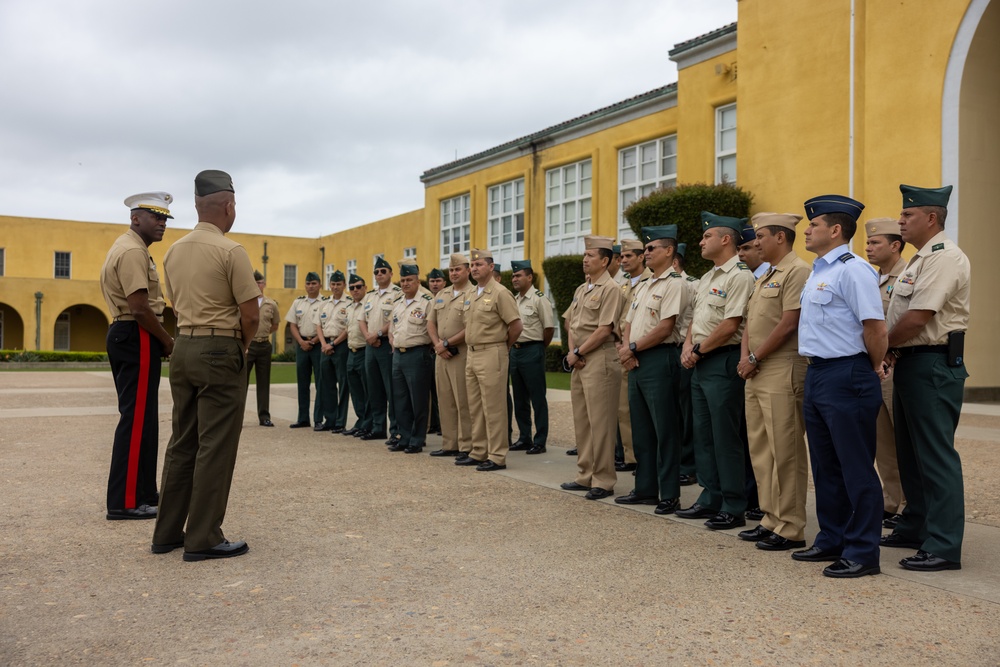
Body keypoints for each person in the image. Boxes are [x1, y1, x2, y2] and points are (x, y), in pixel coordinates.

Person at [152, 169, 258, 561]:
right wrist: (241, 349)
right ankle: (203, 537)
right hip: (219, 348)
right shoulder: (231, 251)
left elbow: (175, 304)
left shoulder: (174, 250)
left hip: (183, 347)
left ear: (198, 206)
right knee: (215, 445)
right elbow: (250, 314)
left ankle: (167, 532)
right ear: (229, 206)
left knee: (183, 442)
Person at [792, 194, 886, 578]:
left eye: (813, 225)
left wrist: (873, 366)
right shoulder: (819, 271)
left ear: (834, 230)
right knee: (826, 465)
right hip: (817, 373)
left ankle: (863, 552)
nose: (807, 229)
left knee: (856, 466)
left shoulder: (853, 270)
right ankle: (832, 537)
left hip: (847, 373)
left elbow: (875, 327)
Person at [881, 184, 969, 573]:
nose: (901, 220)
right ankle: (916, 525)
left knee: (935, 456)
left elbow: (918, 317)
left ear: (931, 218)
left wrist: (881, 349)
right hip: (912, 361)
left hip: (933, 363)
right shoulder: (918, 262)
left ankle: (945, 545)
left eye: (908, 215)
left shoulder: (944, 257)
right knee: (911, 453)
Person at [735, 213, 811, 551]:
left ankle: (791, 525)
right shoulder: (765, 276)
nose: (757, 242)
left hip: (781, 366)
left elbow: (789, 322)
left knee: (786, 450)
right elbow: (751, 322)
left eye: (762, 236)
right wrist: (745, 358)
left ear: (781, 237)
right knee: (762, 449)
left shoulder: (798, 272)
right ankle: (770, 517)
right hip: (757, 368)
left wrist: (754, 358)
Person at [100, 191, 176, 520]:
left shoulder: (132, 247)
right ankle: (125, 500)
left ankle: (144, 493)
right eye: (156, 216)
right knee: (135, 421)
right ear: (135, 218)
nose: (162, 223)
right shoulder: (132, 250)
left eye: (165, 218)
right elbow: (140, 308)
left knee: (142, 419)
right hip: (137, 333)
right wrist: (167, 341)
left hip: (131, 333)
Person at [676, 212, 754, 530]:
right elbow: (697, 317)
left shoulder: (740, 275)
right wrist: (687, 345)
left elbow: (731, 323)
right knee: (704, 435)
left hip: (722, 359)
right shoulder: (708, 277)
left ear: (725, 239)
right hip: (700, 359)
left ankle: (734, 504)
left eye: (706, 236)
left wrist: (697, 349)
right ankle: (710, 496)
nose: (700, 241)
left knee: (725, 436)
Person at [615, 225, 688, 515]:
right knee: (641, 429)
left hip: (660, 359)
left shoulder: (676, 283)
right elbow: (628, 323)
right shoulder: (644, 285)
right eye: (645, 249)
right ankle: (645, 488)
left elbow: (665, 328)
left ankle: (669, 493)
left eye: (650, 249)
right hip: (636, 360)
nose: (645, 253)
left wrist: (631, 349)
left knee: (665, 429)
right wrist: (626, 350)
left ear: (669, 251)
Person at [560, 236, 624, 500]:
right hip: (581, 359)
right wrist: (574, 352)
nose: (585, 260)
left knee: (601, 423)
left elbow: (605, 329)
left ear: (605, 261)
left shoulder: (611, 289)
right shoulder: (581, 289)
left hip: (600, 359)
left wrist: (578, 353)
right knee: (583, 421)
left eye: (590, 255)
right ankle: (585, 474)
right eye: (584, 255)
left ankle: (604, 479)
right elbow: (571, 325)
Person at [457, 248, 522, 471]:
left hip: (492, 352)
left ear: (491, 267)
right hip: (472, 353)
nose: (474, 268)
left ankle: (497, 455)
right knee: (475, 406)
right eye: (472, 265)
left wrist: (503, 346)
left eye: (479, 264)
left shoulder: (501, 293)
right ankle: (478, 451)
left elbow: (516, 325)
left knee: (493, 407)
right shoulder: (471, 294)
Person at [863, 217, 909, 527]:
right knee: (883, 442)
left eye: (875, 242)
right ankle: (892, 501)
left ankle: (910, 506)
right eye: (867, 242)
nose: (868, 247)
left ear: (895, 245)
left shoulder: (908, 275)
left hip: (897, 365)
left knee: (904, 441)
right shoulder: (871, 278)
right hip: (874, 368)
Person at [427, 254, 476, 458]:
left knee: (463, 400)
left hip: (460, 353)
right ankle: (449, 443)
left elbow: (471, 326)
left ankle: (466, 446)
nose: (454, 273)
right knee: (445, 400)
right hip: (441, 354)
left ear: (468, 271)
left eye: (458, 269)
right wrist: (438, 344)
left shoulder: (473, 293)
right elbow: (431, 322)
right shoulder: (442, 294)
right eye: (452, 270)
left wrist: (447, 343)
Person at [387, 261, 435, 453]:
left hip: (417, 354)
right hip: (398, 355)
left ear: (417, 280)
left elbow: (433, 327)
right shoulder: (398, 302)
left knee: (419, 400)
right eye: (403, 280)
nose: (405, 283)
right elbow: (392, 328)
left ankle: (417, 438)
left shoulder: (427, 300)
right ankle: (404, 437)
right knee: (400, 399)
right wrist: (393, 342)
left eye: (409, 280)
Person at [508, 259, 555, 455]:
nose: (514, 278)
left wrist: (539, 348)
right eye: (513, 276)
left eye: (518, 275)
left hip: (532, 350)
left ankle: (540, 440)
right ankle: (524, 438)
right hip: (515, 351)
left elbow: (549, 329)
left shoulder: (539, 299)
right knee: (519, 398)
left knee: (537, 398)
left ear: (529, 277)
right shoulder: (514, 299)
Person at [613, 238, 651, 472]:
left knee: (642, 412)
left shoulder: (650, 281)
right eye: (622, 256)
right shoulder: (624, 284)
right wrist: (621, 346)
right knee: (624, 409)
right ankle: (630, 456)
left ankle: (640, 457)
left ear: (641, 257)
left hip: (642, 352)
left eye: (629, 256)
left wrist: (630, 348)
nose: (624, 260)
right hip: (623, 349)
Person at [358, 257, 402, 442]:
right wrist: (368, 336)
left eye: (383, 271)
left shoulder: (397, 293)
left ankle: (395, 430)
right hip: (371, 346)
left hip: (386, 345)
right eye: (376, 272)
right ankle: (377, 427)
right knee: (374, 388)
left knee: (391, 389)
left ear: (391, 274)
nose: (379, 274)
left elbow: (394, 319)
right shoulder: (370, 295)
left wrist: (376, 334)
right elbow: (361, 319)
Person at [673, 243, 699, 487]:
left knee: (686, 411)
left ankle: (689, 465)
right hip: (667, 351)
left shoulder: (692, 284)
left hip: (684, 349)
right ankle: (677, 461)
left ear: (674, 261)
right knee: (673, 412)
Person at [286, 272, 326, 429]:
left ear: (320, 285)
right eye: (308, 283)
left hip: (318, 345)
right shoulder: (298, 302)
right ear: (305, 285)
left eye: (314, 283)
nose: (311, 286)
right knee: (302, 383)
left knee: (320, 382)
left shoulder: (325, 302)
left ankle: (318, 419)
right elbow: (292, 325)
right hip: (302, 344)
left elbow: (324, 325)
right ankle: (303, 418)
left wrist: (314, 341)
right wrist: (301, 342)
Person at [316, 270, 350, 433]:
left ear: (344, 285)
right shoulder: (324, 303)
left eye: (338, 284)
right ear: (329, 285)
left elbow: (348, 327)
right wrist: (323, 344)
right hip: (325, 345)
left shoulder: (349, 303)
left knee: (343, 383)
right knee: (326, 384)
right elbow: (318, 325)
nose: (335, 287)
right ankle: (329, 419)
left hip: (341, 345)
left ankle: (340, 421)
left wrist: (334, 344)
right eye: (333, 284)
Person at [247, 270, 280, 427]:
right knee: (241, 383)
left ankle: (264, 416)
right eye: (254, 283)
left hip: (264, 345)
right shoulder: (245, 303)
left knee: (263, 382)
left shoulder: (271, 304)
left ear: (264, 284)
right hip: (248, 345)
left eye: (259, 283)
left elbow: (275, 325)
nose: (257, 286)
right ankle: (237, 416)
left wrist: (264, 333)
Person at [343, 274, 373, 438]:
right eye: (352, 287)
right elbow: (347, 329)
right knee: (355, 391)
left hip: (364, 350)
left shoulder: (369, 304)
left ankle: (368, 423)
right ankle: (361, 421)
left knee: (367, 391)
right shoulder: (349, 307)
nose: (355, 290)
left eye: (358, 287)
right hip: (351, 351)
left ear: (365, 288)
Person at [425, 268, 447, 436]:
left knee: (442, 389)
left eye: (438, 281)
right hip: (428, 348)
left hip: (444, 348)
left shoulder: (448, 298)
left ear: (444, 283)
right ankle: (432, 423)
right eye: (432, 281)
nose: (435, 284)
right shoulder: (426, 300)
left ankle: (441, 424)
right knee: (430, 389)